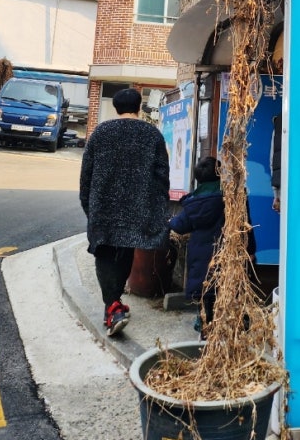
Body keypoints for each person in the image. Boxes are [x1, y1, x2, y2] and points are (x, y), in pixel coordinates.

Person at [79, 88, 170, 336]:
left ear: (116, 108)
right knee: (125, 252)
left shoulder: (101, 132)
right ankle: (114, 305)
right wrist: (158, 209)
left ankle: (112, 306)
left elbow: (86, 175)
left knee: (104, 252)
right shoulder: (152, 134)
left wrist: (89, 206)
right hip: (136, 208)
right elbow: (161, 177)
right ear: (139, 107)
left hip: (103, 207)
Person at [169, 156, 256, 337]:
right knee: (230, 295)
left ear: (198, 178)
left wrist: (169, 222)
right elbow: (245, 226)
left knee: (206, 298)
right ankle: (233, 331)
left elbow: (179, 226)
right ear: (220, 174)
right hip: (227, 257)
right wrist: (251, 251)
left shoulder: (193, 202)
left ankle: (206, 330)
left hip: (201, 260)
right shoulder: (232, 198)